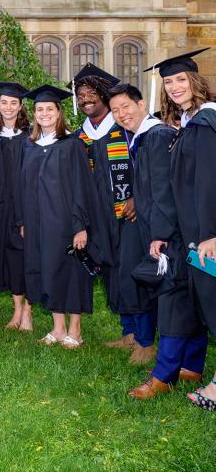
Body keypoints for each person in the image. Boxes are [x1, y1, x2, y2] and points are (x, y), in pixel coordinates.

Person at [108, 83, 208, 400]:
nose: (121, 114)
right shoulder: (148, 138)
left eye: (126, 106)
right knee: (188, 297)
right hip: (175, 232)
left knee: (171, 301)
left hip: (172, 236)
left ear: (141, 104)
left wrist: (161, 234)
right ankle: (191, 365)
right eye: (115, 111)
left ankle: (163, 374)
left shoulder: (157, 136)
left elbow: (166, 191)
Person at [72, 64, 156, 364]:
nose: (86, 99)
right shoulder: (81, 136)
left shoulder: (128, 130)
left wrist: (136, 195)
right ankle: (129, 332)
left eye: (92, 93)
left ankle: (146, 341)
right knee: (113, 275)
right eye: (81, 95)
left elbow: (150, 171)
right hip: (100, 219)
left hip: (129, 217)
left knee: (132, 274)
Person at [151, 48, 216, 411]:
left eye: (180, 79)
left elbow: (208, 183)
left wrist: (210, 234)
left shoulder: (206, 123)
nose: (174, 87)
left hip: (207, 236)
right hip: (191, 233)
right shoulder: (189, 123)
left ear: (195, 81)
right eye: (168, 82)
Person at [19, 85, 107, 349]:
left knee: (71, 272)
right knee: (48, 269)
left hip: (66, 222)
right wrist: (24, 221)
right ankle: (57, 328)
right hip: (38, 222)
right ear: (34, 114)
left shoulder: (72, 144)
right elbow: (23, 186)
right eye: (39, 109)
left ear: (59, 112)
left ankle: (75, 329)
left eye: (49, 109)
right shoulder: (30, 145)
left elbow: (82, 187)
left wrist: (80, 226)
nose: (44, 113)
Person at [0, 82, 32, 331]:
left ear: (21, 106)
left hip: (21, 205)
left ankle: (21, 311)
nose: (9, 107)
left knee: (19, 254)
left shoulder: (30, 138)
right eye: (4, 102)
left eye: (14, 102)